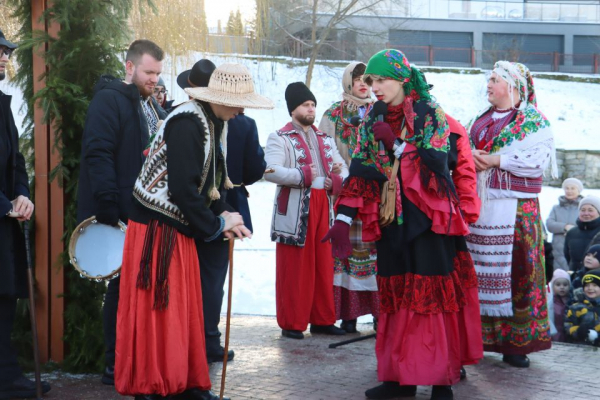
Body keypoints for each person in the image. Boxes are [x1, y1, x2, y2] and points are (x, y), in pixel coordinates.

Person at [324, 49, 482, 400]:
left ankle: (440, 381)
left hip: (430, 223)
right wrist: (343, 217)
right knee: (396, 301)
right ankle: (399, 380)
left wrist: (394, 143)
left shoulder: (430, 113)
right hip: (392, 222)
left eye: (382, 80)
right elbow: (364, 170)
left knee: (430, 302)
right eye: (371, 81)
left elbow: (437, 166)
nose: (375, 87)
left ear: (402, 78)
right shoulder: (371, 119)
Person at [114, 63, 272, 400]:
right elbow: (183, 191)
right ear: (221, 97)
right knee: (162, 309)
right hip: (157, 228)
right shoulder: (189, 122)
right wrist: (216, 225)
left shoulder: (211, 120)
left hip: (174, 226)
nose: (241, 110)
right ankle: (158, 384)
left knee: (182, 309)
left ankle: (183, 382)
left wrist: (225, 214)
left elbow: (205, 188)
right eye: (239, 102)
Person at [76, 39, 167, 385]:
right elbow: (97, 152)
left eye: (158, 73)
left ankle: (135, 359)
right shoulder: (109, 100)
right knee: (119, 290)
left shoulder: (148, 105)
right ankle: (116, 363)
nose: (154, 79)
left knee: (135, 289)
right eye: (148, 72)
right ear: (129, 67)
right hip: (119, 214)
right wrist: (109, 205)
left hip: (144, 214)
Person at [465, 61, 556, 368]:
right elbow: (465, 146)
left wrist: (495, 159)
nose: (488, 85)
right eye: (488, 80)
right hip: (482, 207)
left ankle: (516, 344)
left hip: (516, 210)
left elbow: (536, 161)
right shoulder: (480, 120)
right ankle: (479, 338)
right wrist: (473, 156)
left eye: (494, 80)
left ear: (513, 85)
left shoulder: (531, 120)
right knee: (478, 272)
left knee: (519, 272)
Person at [265, 81, 348, 340]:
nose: (311, 109)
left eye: (313, 105)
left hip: (324, 205)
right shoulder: (279, 137)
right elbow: (270, 171)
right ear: (293, 109)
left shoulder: (324, 138)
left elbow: (343, 168)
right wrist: (304, 175)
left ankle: (322, 320)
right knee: (296, 266)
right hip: (295, 207)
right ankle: (292, 321)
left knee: (324, 264)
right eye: (305, 105)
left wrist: (336, 178)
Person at [0, 29, 51, 400]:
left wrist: (22, 194)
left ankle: (6, 374)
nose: (5, 58)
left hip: (3, 223)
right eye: (0, 52)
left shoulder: (2, 103)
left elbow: (16, 161)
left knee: (4, 297)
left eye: (6, 52)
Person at [318, 61, 378, 333]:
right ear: (348, 83)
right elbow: (325, 149)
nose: (362, 83)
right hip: (346, 193)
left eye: (367, 78)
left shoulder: (382, 110)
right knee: (346, 253)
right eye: (357, 79)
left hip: (377, 195)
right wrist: (345, 176)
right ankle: (348, 316)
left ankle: (380, 313)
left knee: (376, 253)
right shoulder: (333, 114)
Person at [546, 177, 584, 271]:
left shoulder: (584, 208)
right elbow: (549, 224)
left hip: (578, 246)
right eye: (567, 188)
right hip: (558, 250)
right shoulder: (556, 208)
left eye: (572, 188)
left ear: (578, 190)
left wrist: (573, 230)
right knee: (560, 279)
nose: (569, 191)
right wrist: (565, 227)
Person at [564, 196, 600, 274]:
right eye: (583, 210)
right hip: (575, 279)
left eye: (590, 210)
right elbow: (568, 257)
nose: (586, 213)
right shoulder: (572, 233)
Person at [564, 269, 600, 346]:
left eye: (595, 285)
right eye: (587, 285)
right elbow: (567, 325)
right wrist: (578, 331)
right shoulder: (576, 307)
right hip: (581, 347)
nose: (590, 288)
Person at [547, 268, 571, 342]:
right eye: (558, 284)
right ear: (552, 286)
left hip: (568, 336)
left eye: (565, 284)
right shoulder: (549, 302)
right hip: (554, 336)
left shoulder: (571, 301)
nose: (562, 287)